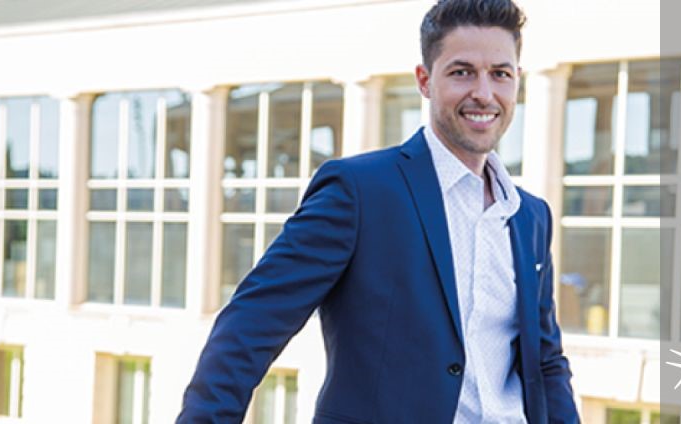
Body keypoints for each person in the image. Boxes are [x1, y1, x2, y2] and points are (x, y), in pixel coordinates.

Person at [178, 0, 578, 422]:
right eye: (462, 72)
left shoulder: (530, 216)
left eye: (500, 73)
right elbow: (251, 325)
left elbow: (545, 361)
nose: (483, 92)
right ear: (425, 80)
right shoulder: (359, 191)